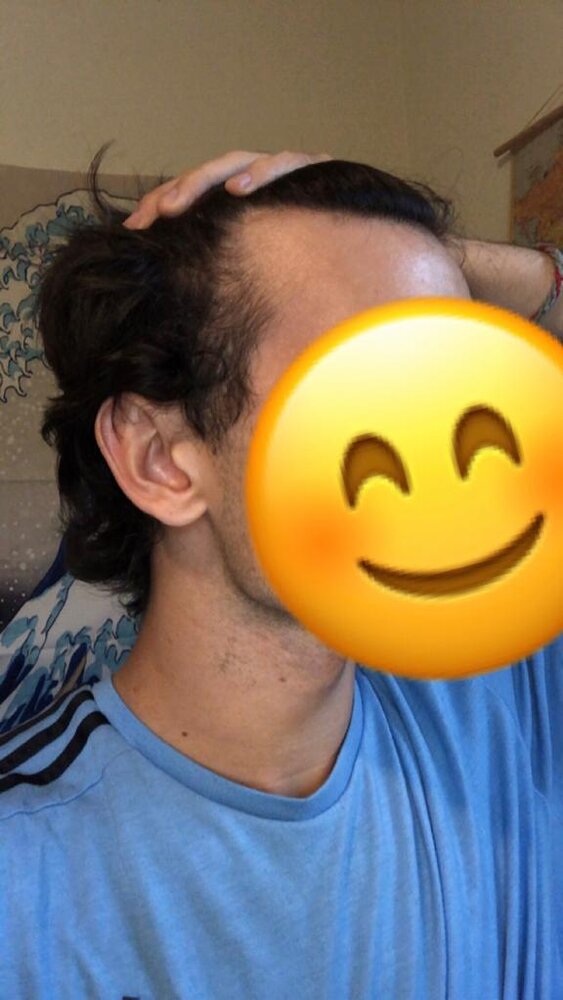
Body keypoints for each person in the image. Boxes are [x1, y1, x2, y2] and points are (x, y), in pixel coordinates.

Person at [0, 148, 561, 999]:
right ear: (159, 459)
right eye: (363, 376)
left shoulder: (501, 693)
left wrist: (440, 263)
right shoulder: (25, 883)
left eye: (454, 369)